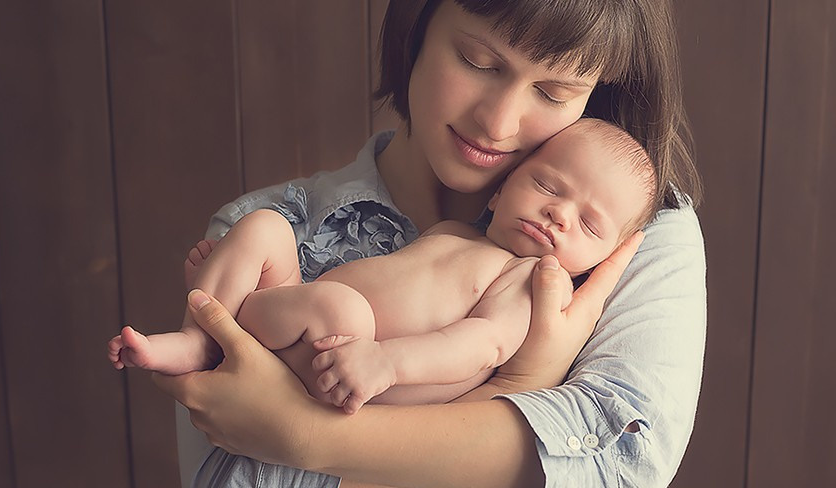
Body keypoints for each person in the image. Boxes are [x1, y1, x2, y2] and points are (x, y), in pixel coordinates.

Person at [153, 0, 707, 488]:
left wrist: (301, 433)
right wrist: (530, 384)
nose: (500, 121)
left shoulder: (630, 240)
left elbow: (623, 459)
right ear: (419, 23)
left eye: (555, 89)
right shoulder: (274, 235)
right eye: (479, 60)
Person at [110, 119, 659, 414]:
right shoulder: (455, 234)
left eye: (588, 225)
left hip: (352, 363)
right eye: (547, 186)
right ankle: (206, 325)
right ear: (499, 193)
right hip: (316, 321)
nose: (558, 215)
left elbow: (480, 344)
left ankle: (222, 328)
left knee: (337, 303)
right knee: (265, 227)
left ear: (602, 258)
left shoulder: (530, 282)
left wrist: (386, 363)